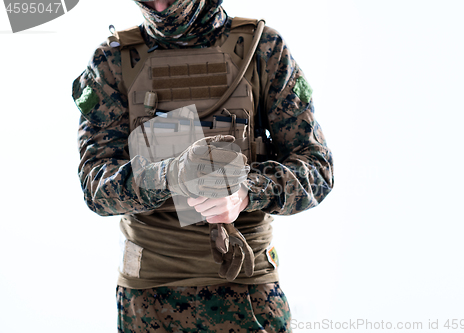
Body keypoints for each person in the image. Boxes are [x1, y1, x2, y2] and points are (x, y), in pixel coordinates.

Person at [72, 0, 334, 331]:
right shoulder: (111, 60)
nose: (161, 4)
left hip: (249, 290)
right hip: (149, 297)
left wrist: (245, 191)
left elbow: (317, 168)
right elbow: (96, 184)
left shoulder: (263, 49)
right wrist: (166, 175)